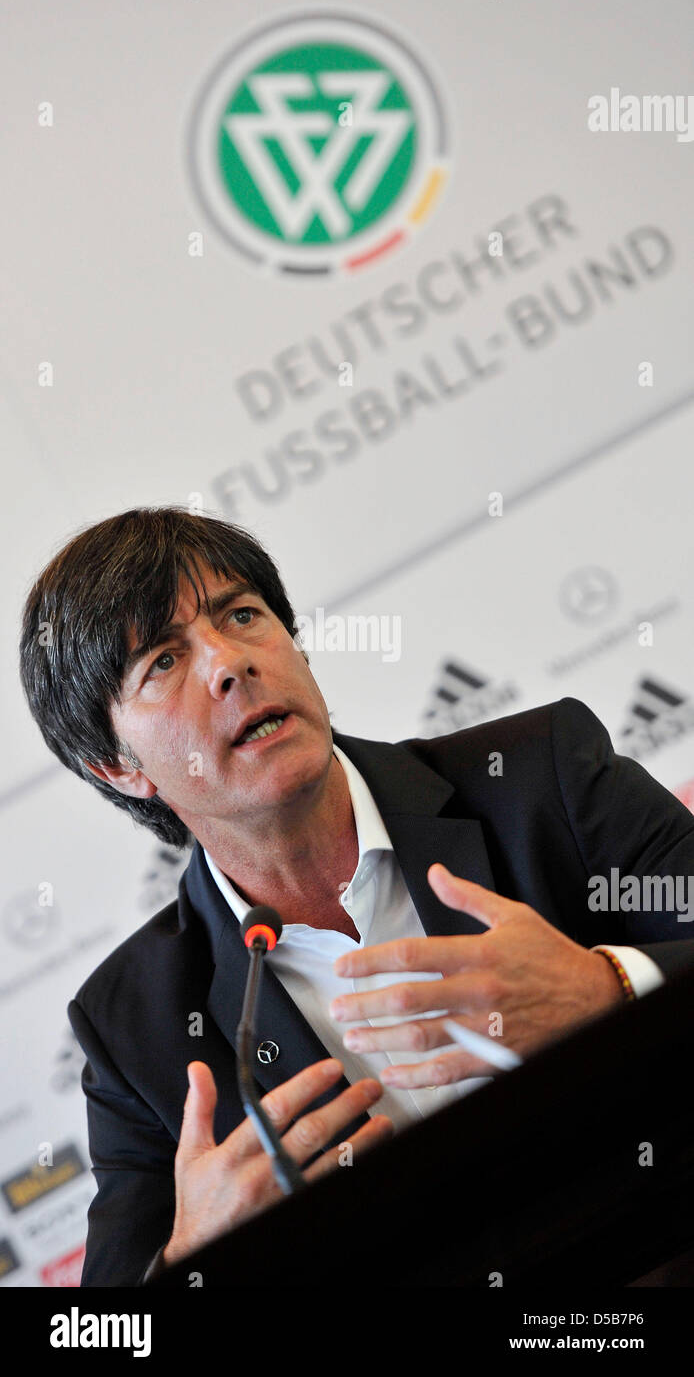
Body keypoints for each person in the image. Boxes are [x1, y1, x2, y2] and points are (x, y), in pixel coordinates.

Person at [19, 506, 694, 1285]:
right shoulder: (130, 1029)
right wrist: (195, 1263)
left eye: (243, 615)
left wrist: (609, 989)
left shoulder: (546, 777)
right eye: (164, 662)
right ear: (118, 767)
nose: (229, 663)